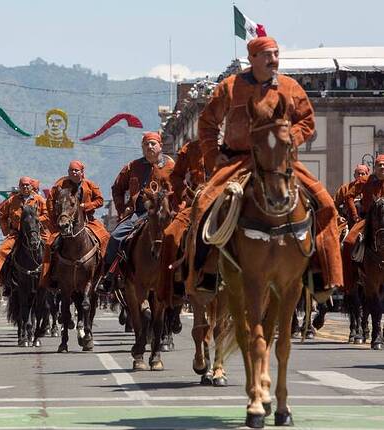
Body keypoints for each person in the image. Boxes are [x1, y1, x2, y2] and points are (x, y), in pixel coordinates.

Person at [185, 36, 343, 295]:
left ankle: (321, 270)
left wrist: (290, 138)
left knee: (325, 204)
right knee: (204, 204)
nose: (274, 60)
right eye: (268, 55)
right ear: (252, 59)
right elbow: (207, 124)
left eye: (276, 54)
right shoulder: (229, 87)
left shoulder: (290, 87)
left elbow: (307, 120)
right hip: (238, 160)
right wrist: (213, 155)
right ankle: (206, 270)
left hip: (280, 162)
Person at [100, 132, 175, 292]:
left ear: (160, 146)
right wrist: (122, 209)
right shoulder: (133, 166)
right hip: (139, 213)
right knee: (115, 237)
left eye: (153, 144)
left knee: (184, 239)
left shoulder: (170, 166)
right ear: (142, 148)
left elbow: (180, 188)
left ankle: (185, 281)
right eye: (146, 144)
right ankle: (109, 275)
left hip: (164, 214)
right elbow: (117, 188)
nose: (150, 147)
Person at [158, 139, 217, 299]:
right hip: (196, 203)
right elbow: (176, 176)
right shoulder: (189, 149)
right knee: (171, 234)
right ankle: (176, 281)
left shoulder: (234, 142)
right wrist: (186, 195)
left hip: (228, 199)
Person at [40, 160, 110, 289]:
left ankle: (103, 276)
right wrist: (56, 219)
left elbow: (100, 200)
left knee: (105, 237)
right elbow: (50, 202)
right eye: (71, 170)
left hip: (88, 221)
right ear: (68, 172)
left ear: (82, 172)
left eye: (76, 170)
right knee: (50, 244)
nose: (73, 172)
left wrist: (85, 206)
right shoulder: (60, 184)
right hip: (64, 222)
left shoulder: (90, 184)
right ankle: (49, 277)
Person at [0, 176, 49, 296]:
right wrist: (7, 230)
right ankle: (1, 281)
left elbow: (47, 215)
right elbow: (1, 214)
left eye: (27, 185)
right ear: (19, 187)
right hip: (17, 234)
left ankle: (53, 279)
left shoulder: (39, 200)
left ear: (31, 186)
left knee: (52, 249)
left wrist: (35, 221)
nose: (25, 187)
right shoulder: (12, 200)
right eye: (22, 185)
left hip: (36, 233)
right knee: (1, 251)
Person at [341, 155, 384, 290]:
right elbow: (349, 196)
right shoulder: (365, 180)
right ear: (374, 168)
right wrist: (354, 215)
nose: (382, 167)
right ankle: (350, 282)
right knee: (348, 243)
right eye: (379, 165)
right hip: (368, 220)